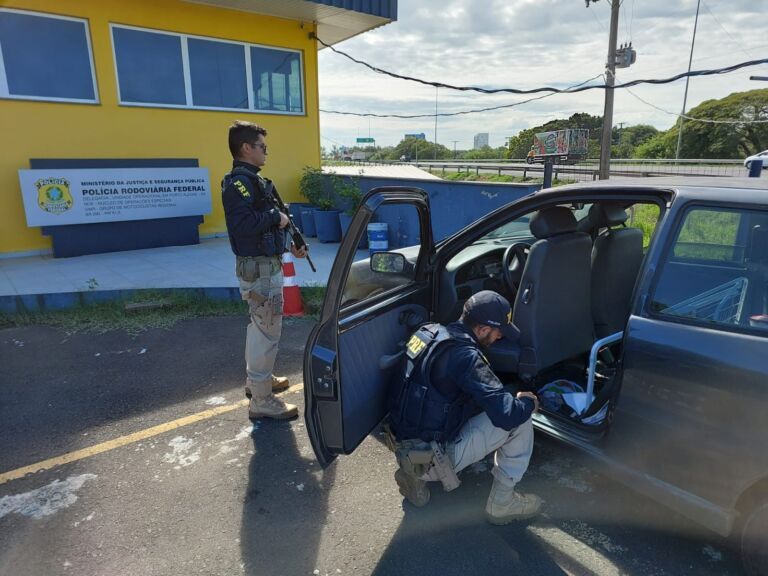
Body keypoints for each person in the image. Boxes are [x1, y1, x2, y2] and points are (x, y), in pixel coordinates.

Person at [388, 290, 541, 524]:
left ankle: (415, 479)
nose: (500, 337)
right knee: (520, 419)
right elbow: (507, 415)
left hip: (403, 442)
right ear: (481, 329)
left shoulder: (429, 332)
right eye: (498, 331)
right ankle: (502, 503)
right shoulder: (465, 356)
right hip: (435, 457)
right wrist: (527, 402)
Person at [221, 120, 307, 420]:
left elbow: (263, 226)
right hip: (258, 270)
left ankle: (259, 380)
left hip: (262, 266)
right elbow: (243, 225)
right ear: (246, 148)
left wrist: (289, 241)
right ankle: (261, 400)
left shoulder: (253, 182)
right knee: (266, 330)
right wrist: (276, 217)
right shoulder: (238, 184)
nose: (265, 152)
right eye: (262, 147)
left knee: (261, 328)